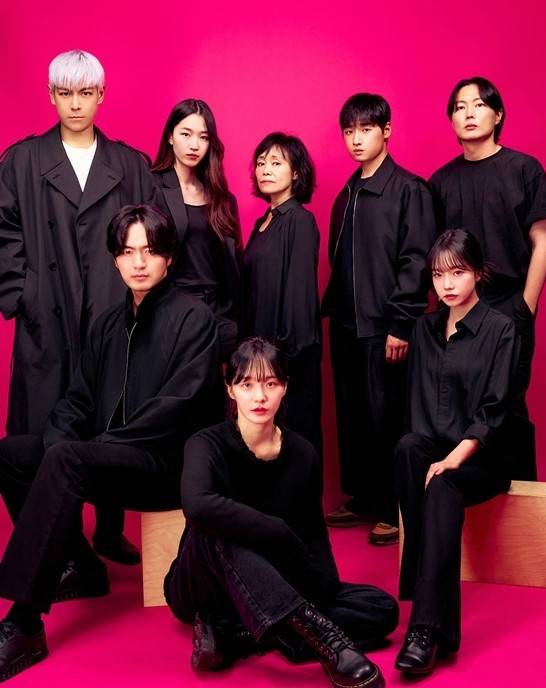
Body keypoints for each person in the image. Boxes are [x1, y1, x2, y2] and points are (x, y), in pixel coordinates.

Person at [0, 205, 223, 682]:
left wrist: (92, 447)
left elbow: (178, 408)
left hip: (165, 467)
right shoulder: (106, 324)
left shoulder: (195, 318)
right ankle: (82, 566)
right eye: (127, 252)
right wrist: (58, 444)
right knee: (13, 455)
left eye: (149, 251)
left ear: (168, 256)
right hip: (107, 458)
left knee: (68, 458)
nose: (138, 262)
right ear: (115, 259)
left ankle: (24, 622)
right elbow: (77, 400)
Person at [164, 336, 398, 688]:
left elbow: (313, 536)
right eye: (247, 384)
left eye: (270, 384)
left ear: (285, 387)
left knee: (382, 608)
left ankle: (236, 637)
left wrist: (318, 589)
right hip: (202, 586)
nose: (259, 397)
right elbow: (197, 506)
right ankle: (328, 641)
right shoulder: (205, 444)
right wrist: (276, 530)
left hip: (269, 584)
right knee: (217, 528)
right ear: (230, 389)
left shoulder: (302, 453)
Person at [0, 49, 157, 563]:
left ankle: (108, 531)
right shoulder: (22, 160)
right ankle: (61, 546)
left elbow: (151, 231)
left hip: (112, 313)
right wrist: (23, 294)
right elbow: (4, 232)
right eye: (65, 93)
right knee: (45, 424)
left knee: (112, 422)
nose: (75, 104)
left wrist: (138, 300)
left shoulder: (130, 164)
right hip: (47, 316)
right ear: (51, 95)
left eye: (85, 93)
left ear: (101, 95)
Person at [394, 230, 517, 676]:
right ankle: (437, 615)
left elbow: (493, 410)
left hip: (482, 456)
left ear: (478, 273)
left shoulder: (501, 328)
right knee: (408, 448)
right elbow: (417, 407)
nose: (446, 284)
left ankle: (425, 627)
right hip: (435, 446)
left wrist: (452, 459)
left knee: (443, 484)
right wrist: (435, 455)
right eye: (438, 274)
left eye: (458, 273)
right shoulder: (424, 328)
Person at [322, 93, 436, 544]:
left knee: (388, 417)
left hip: (385, 326)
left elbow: (416, 261)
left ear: (386, 131)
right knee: (353, 417)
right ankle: (366, 497)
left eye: (366, 129)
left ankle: (393, 505)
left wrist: (400, 323)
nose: (356, 139)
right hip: (346, 325)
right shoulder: (346, 194)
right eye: (349, 131)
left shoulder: (409, 190)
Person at [429, 76, 546, 480]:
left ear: (497, 115)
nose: (469, 113)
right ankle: (464, 498)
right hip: (459, 311)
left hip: (510, 302)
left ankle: (525, 505)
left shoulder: (524, 169)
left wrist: (526, 306)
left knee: (508, 407)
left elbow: (542, 241)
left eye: (479, 105)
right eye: (460, 107)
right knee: (461, 405)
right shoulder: (440, 181)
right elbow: (435, 254)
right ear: (451, 119)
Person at [242, 132, 322, 453]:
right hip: (260, 355)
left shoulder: (299, 220)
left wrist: (281, 361)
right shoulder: (263, 222)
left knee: (293, 442)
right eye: (261, 163)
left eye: (276, 163)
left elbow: (300, 298)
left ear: (296, 172)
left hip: (288, 359)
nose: (265, 169)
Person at [151, 99, 242, 361]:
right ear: (170, 136)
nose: (194, 145)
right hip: (171, 308)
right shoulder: (151, 187)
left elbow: (234, 262)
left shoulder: (223, 199)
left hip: (218, 313)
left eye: (203, 137)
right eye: (186, 134)